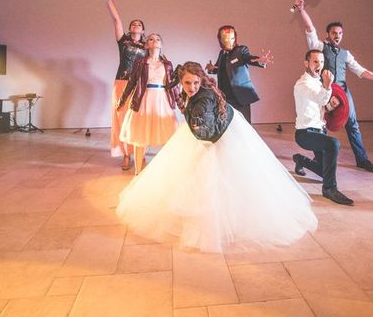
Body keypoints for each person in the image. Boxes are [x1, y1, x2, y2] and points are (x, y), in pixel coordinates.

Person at [116, 62, 317, 253]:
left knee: (220, 177)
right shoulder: (195, 94)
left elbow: (205, 130)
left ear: (202, 80)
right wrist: (186, 108)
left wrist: (192, 117)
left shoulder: (204, 101)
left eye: (196, 82)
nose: (192, 87)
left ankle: (220, 221)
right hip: (215, 128)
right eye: (187, 83)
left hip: (219, 134)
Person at [293, 0, 373, 173]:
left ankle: (362, 160)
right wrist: (302, 10)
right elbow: (310, 29)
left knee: (352, 124)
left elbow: (360, 70)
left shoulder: (345, 54)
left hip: (342, 92)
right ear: (328, 35)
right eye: (333, 33)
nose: (337, 36)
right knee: (321, 124)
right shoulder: (319, 46)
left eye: (340, 33)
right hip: (325, 89)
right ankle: (320, 160)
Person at [293, 50, 354, 205]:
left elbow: (321, 105)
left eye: (321, 62)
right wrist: (327, 87)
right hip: (305, 134)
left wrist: (330, 106)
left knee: (323, 171)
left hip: (319, 131)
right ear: (306, 63)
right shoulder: (302, 84)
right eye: (315, 62)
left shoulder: (318, 82)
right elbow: (320, 97)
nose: (319, 65)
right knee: (333, 144)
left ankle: (300, 159)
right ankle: (329, 189)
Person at [117, 33, 181, 175]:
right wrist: (122, 100)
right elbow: (132, 83)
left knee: (167, 135)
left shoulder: (167, 64)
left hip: (162, 100)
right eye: (151, 39)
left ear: (161, 44)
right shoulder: (140, 62)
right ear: (146, 44)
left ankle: (168, 170)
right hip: (143, 99)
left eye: (158, 39)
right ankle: (138, 171)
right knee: (140, 135)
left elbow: (173, 86)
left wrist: (181, 105)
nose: (155, 41)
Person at [103, 0, 146, 171]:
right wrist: (109, 0)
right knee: (121, 118)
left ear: (143, 30)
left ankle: (140, 153)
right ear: (130, 29)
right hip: (121, 83)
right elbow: (116, 20)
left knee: (138, 119)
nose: (135, 25)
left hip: (139, 85)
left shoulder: (147, 45)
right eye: (133, 24)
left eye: (139, 24)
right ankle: (126, 155)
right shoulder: (124, 42)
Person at [205, 25, 272, 123]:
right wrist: (211, 69)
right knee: (228, 124)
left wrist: (261, 61)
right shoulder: (222, 53)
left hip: (240, 96)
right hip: (225, 96)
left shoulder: (240, 51)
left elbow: (248, 58)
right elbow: (219, 69)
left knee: (244, 124)